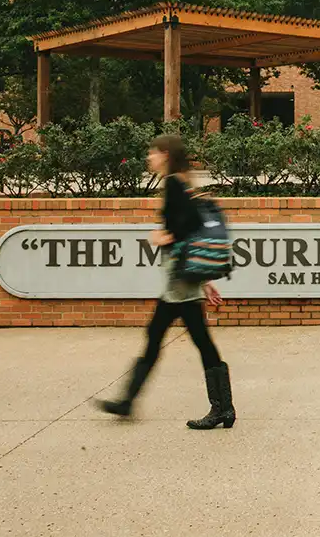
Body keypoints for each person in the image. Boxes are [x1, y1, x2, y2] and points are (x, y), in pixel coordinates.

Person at [96, 134, 236, 430]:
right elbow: (195, 229)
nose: (149, 157)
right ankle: (222, 408)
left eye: (153, 152)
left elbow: (187, 226)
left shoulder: (173, 183)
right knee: (190, 340)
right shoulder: (183, 181)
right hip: (184, 281)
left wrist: (163, 237)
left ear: (165, 154)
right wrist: (205, 280)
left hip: (179, 284)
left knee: (165, 338)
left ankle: (129, 402)